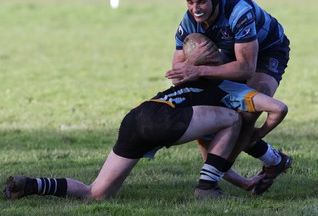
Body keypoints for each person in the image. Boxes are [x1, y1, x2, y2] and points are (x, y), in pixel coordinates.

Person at [4, 36, 288, 200]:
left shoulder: (184, 86)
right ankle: (205, 188)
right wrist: (256, 135)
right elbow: (277, 108)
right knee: (235, 119)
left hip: (137, 117)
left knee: (97, 193)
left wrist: (246, 184)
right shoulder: (228, 87)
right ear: (218, 61)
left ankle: (32, 185)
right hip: (165, 121)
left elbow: (213, 160)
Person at [165, 0, 292, 194]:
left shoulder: (238, 12)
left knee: (248, 110)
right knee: (213, 115)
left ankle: (211, 179)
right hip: (229, 53)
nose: (195, 8)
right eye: (190, 2)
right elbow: (179, 70)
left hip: (267, 51)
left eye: (201, 1)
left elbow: (246, 68)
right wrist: (189, 75)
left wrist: (199, 70)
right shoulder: (189, 22)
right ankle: (275, 160)